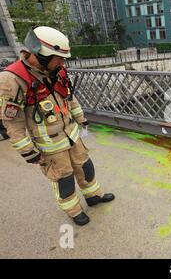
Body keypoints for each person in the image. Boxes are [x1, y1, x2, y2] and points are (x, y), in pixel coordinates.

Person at [0, 26, 114, 226]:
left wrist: (81, 119)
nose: (62, 62)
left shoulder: (57, 70)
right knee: (64, 179)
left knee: (85, 167)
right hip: (49, 145)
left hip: (71, 134)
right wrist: (28, 151)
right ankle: (74, 210)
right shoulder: (12, 79)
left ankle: (94, 196)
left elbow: (70, 97)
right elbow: (12, 122)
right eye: (58, 58)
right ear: (41, 55)